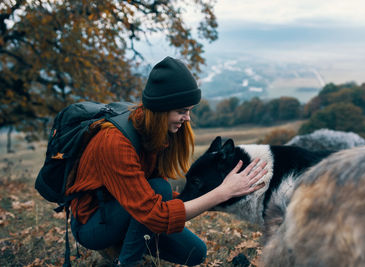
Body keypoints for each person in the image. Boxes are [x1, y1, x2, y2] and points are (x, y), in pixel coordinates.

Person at [66, 56, 267, 266]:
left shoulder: (156, 133)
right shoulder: (115, 142)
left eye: (189, 111)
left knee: (195, 252)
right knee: (159, 188)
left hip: (131, 209)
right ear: (162, 109)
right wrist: (221, 192)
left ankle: (125, 246)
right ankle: (126, 262)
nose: (187, 118)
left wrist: (223, 195)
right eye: (182, 111)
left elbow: (155, 199)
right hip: (94, 223)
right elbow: (156, 213)